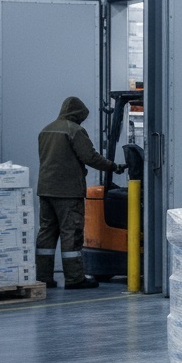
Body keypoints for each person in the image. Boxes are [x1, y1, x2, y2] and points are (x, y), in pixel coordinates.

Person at [35, 96, 125, 290]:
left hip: (46, 190)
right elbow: (90, 157)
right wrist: (113, 166)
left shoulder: (46, 130)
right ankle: (74, 279)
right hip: (68, 192)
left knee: (46, 234)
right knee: (71, 234)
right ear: (77, 115)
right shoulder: (74, 130)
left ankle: (43, 278)